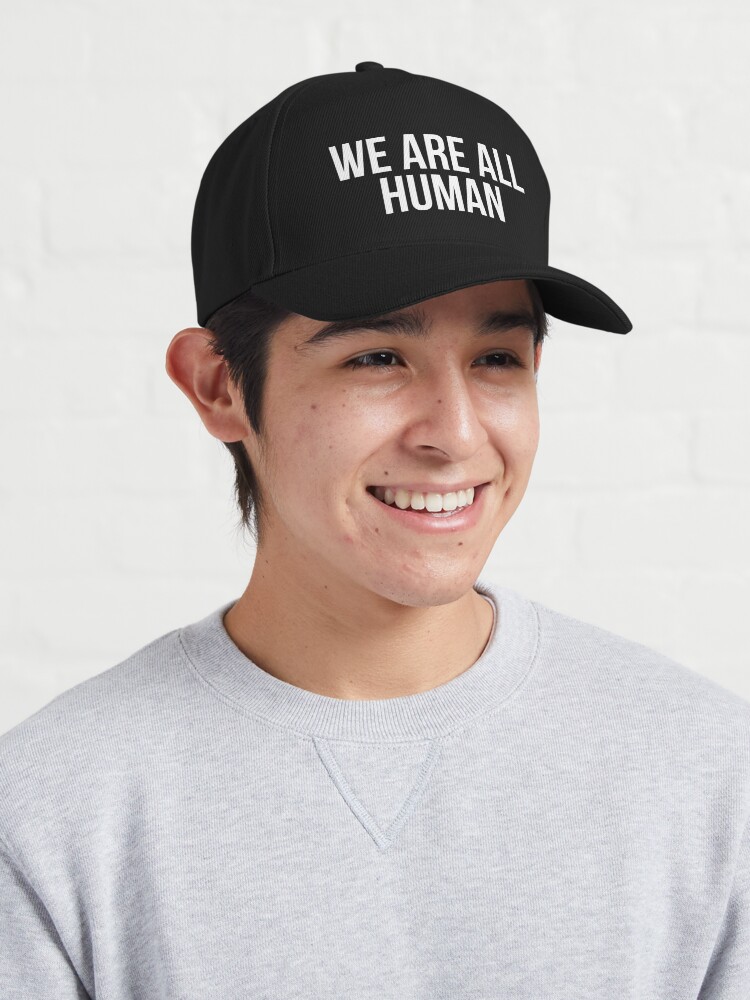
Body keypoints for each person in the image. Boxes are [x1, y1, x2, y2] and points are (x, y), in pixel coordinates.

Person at [0, 61, 748, 999]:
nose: (456, 434)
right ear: (219, 385)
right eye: (378, 358)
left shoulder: (712, 778)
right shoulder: (51, 817)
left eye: (498, 357)